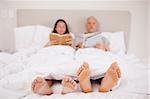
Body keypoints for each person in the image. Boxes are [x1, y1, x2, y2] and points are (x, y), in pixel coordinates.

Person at [32, 19, 77, 95]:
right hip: (52, 54)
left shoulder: (70, 37)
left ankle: (66, 84)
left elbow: (76, 52)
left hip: (65, 53)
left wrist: (72, 44)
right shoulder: (50, 37)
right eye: (59, 26)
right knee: (48, 70)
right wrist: (49, 44)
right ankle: (45, 87)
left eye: (63, 27)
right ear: (55, 28)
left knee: (65, 65)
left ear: (66, 29)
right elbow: (42, 51)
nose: (61, 28)